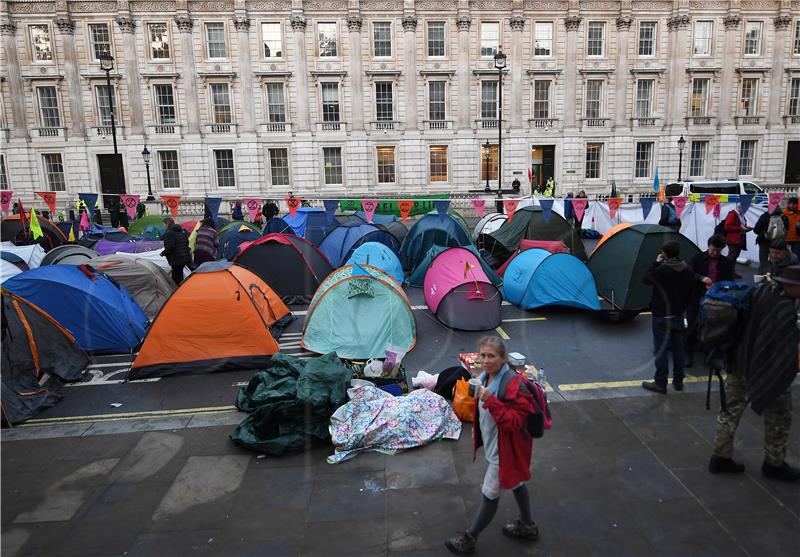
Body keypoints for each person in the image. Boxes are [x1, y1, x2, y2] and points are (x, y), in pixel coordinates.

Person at [445, 336, 537, 554]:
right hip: (496, 444)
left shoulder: (513, 384)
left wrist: (490, 400)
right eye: (482, 355)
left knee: (490, 492)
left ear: (503, 358)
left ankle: (469, 538)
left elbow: (515, 422)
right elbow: (485, 414)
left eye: (491, 356)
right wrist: (478, 430)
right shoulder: (484, 377)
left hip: (507, 449)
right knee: (517, 483)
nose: (485, 360)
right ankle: (528, 525)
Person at [709, 266, 800, 481]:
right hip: (764, 369)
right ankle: (774, 463)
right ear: (791, 286)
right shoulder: (784, 308)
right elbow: (781, 347)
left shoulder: (760, 290)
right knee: (779, 415)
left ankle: (720, 457)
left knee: (730, 411)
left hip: (738, 361)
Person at [642, 241, 697, 394]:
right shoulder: (687, 270)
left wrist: (656, 263)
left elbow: (646, 279)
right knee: (678, 349)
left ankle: (661, 382)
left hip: (661, 315)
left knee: (661, 350)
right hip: (678, 315)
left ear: (665, 254)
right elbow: (692, 292)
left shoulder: (662, 270)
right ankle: (678, 381)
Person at [685, 235, 735, 366]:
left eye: (718, 251)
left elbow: (730, 279)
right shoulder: (698, 257)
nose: (714, 253)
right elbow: (689, 272)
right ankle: (688, 354)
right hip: (696, 296)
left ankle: (709, 354)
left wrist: (723, 286)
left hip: (715, 298)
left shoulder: (726, 262)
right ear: (708, 246)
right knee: (692, 326)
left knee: (712, 327)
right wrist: (701, 278)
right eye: (712, 250)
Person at [752, 207, 788, 275]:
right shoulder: (783, 217)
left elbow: (756, 230)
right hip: (778, 243)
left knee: (763, 261)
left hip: (764, 242)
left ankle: (762, 279)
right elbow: (787, 229)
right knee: (776, 261)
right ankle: (775, 278)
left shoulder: (765, 216)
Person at [161, 217, 192, 285]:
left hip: (176, 258)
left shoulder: (169, 233)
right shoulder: (181, 232)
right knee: (179, 275)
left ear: (167, 224)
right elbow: (186, 243)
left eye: (163, 224)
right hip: (184, 257)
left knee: (176, 277)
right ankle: (180, 289)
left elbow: (170, 246)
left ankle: (177, 292)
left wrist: (163, 253)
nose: (163, 227)